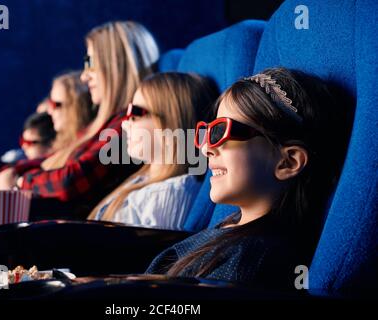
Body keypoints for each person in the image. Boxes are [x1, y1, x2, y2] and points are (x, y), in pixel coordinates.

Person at [141, 67, 352, 289]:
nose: (205, 149)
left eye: (221, 131)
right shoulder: (231, 227)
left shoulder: (249, 261)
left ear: (288, 162)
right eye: (208, 132)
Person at [0, 21, 160, 212]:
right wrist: (17, 168)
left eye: (91, 64)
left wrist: (21, 180)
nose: (84, 76)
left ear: (117, 67)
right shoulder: (107, 122)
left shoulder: (128, 125)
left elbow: (72, 181)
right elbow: (57, 159)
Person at [88, 72, 218, 230]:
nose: (124, 125)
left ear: (171, 123)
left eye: (134, 114)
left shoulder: (167, 195)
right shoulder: (145, 178)